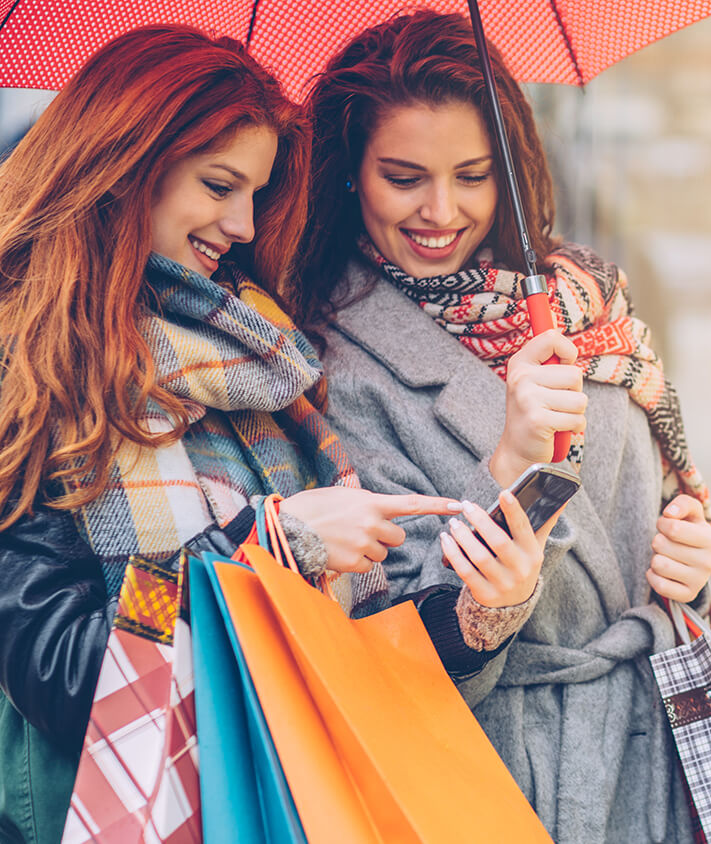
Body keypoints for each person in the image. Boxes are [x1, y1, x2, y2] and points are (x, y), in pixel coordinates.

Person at [0, 26, 551, 842]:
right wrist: (271, 542)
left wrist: (477, 615)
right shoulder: (31, 367)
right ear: (128, 165)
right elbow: (64, 671)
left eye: (256, 193)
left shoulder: (263, 360)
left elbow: (335, 652)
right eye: (219, 185)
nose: (245, 224)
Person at [295, 11, 711, 841]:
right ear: (352, 173)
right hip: (478, 772)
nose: (441, 210)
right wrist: (510, 466)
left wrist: (695, 557)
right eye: (404, 176)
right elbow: (378, 620)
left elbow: (671, 504)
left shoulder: (590, 303)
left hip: (646, 759)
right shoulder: (327, 355)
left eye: (473, 174)